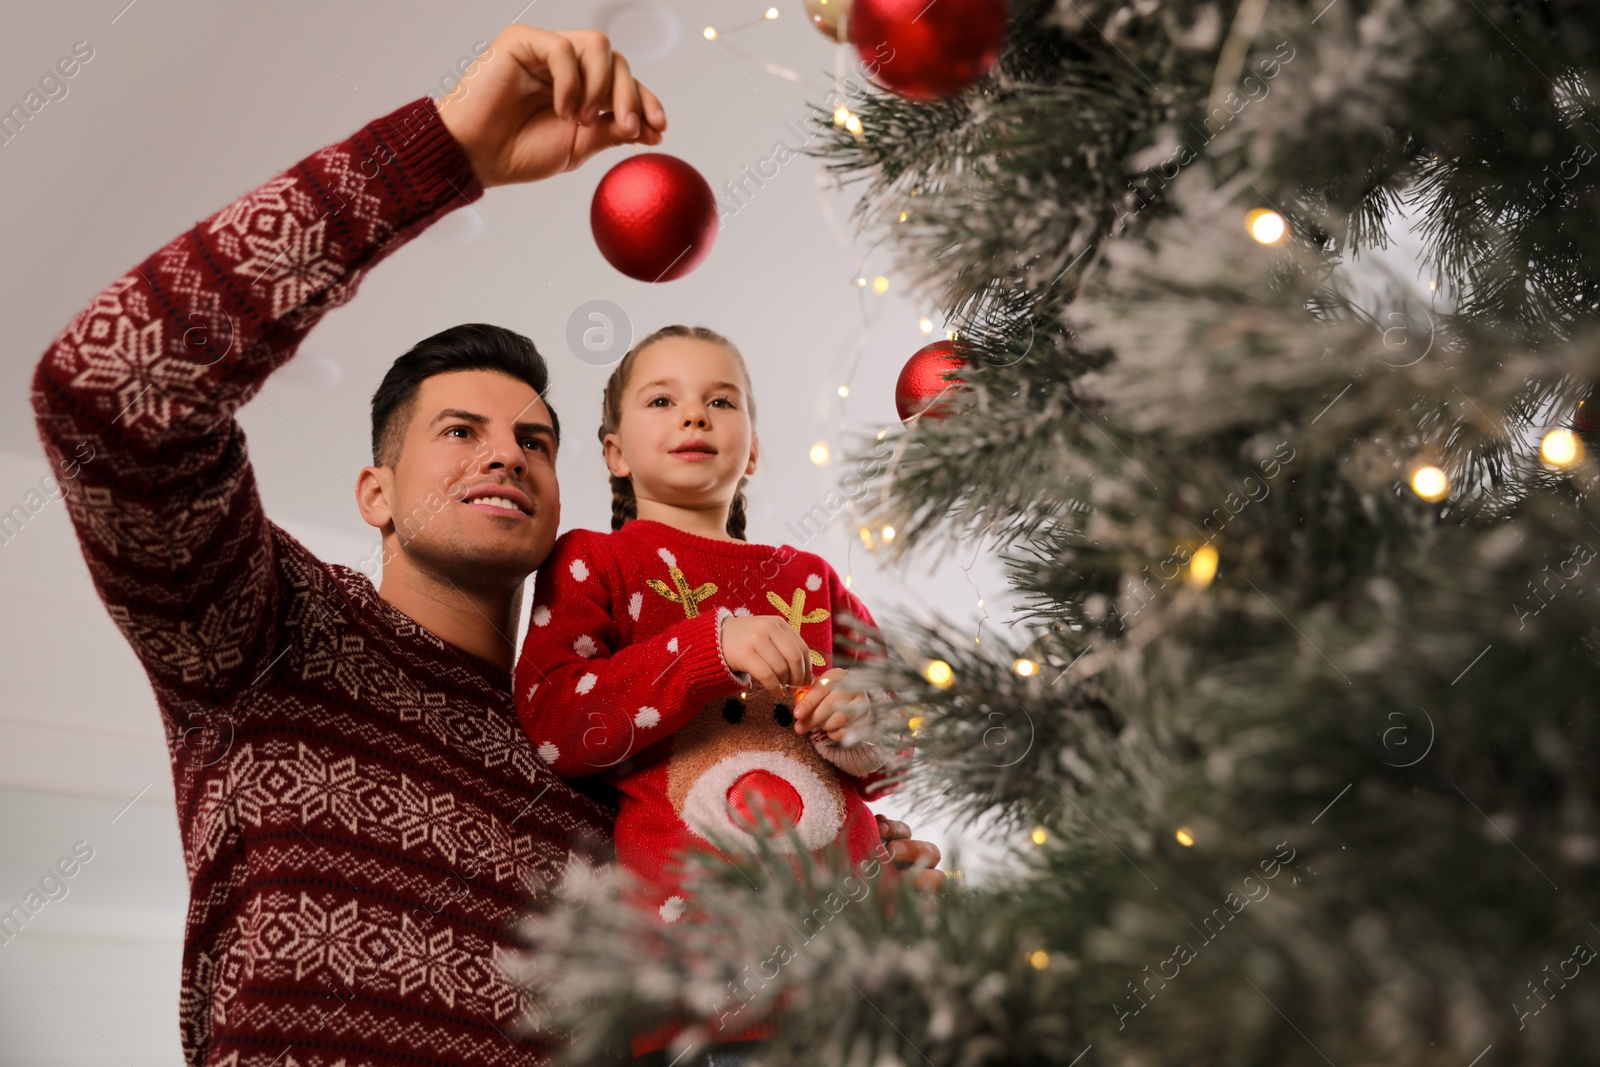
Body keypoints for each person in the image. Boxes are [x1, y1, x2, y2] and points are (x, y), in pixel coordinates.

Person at [30, 20, 941, 1067]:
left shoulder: (614, 758)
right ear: (373, 490)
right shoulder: (265, 630)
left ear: (570, 498)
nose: (504, 455)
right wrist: (443, 150)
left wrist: (855, 889)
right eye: (459, 432)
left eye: (533, 441)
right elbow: (107, 392)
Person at [516, 325, 900, 1059]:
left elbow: (901, 751)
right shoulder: (594, 560)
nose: (694, 415)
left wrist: (866, 723)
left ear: (752, 449)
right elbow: (557, 719)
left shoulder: (813, 576)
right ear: (615, 453)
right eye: (663, 399)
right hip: (701, 988)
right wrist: (706, 648)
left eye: (720, 401)